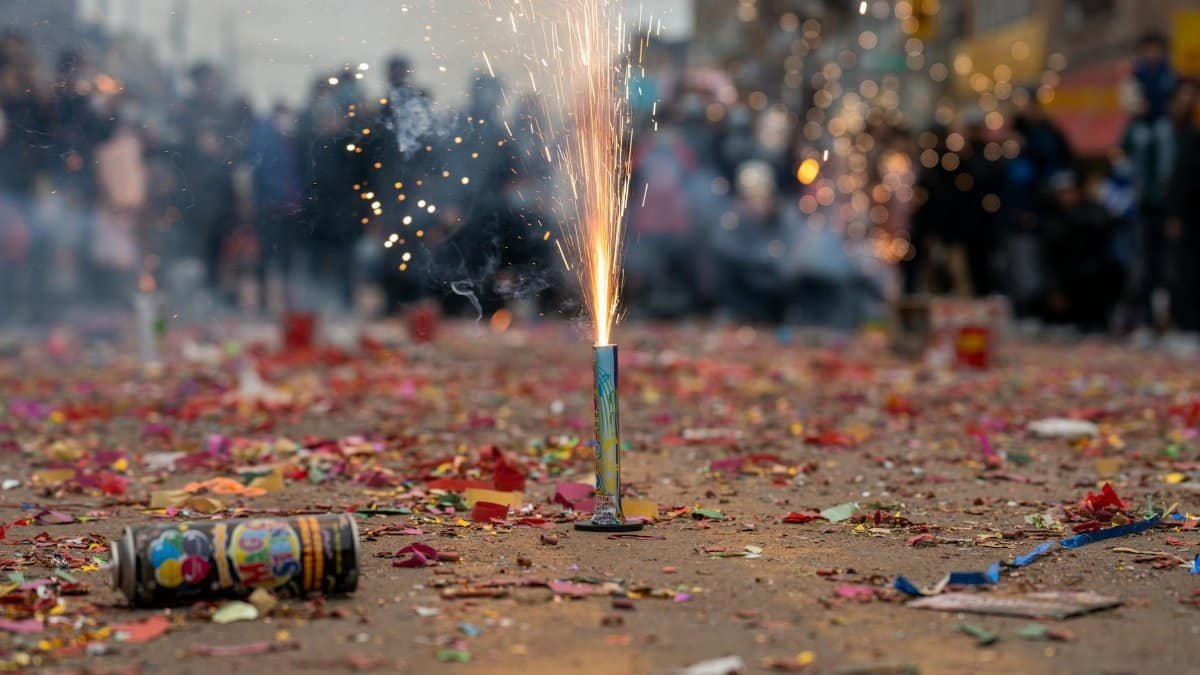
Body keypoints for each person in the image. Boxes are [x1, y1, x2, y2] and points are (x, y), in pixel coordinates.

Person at [1041, 171, 1123, 331]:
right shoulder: (1053, 219)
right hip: (1066, 286)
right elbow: (1049, 259)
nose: (1066, 197)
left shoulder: (1092, 211)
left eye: (1070, 192)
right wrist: (1053, 289)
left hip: (1094, 282)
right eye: (1062, 193)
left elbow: (1105, 224)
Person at [248, 102, 302, 313]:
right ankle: (263, 302)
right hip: (269, 208)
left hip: (289, 209)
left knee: (287, 257)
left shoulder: (291, 141)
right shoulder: (265, 141)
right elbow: (261, 173)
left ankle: (287, 301)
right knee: (266, 255)